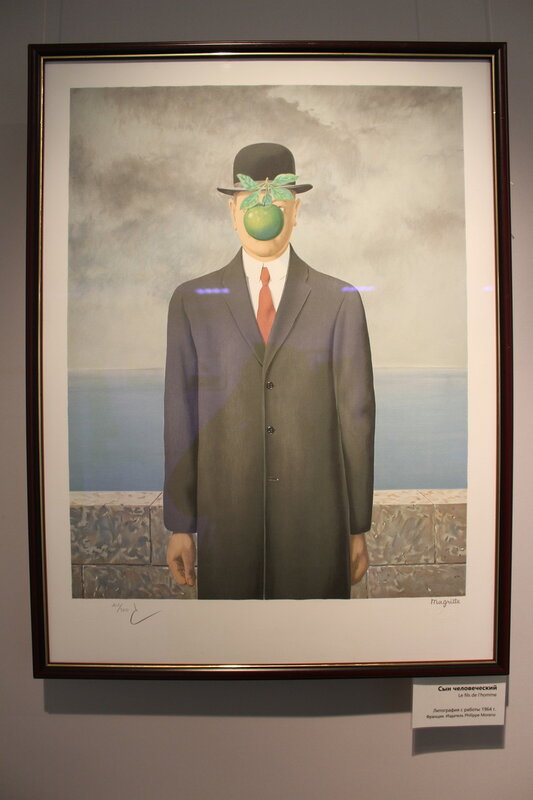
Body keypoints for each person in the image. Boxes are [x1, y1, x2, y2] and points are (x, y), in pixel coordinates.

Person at [164, 143, 375, 599]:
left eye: (277, 201)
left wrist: (357, 526)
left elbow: (356, 418)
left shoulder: (340, 301)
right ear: (232, 211)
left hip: (318, 528)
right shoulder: (190, 301)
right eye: (251, 200)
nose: (265, 212)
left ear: (296, 211)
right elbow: (181, 414)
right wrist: (181, 524)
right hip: (226, 527)